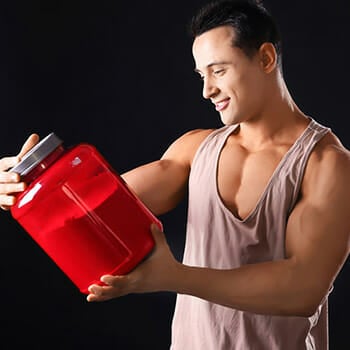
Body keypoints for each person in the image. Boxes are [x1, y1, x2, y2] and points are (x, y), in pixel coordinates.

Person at [1, 0, 349, 349]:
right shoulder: (195, 149)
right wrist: (26, 184)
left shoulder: (327, 163)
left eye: (219, 70)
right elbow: (95, 210)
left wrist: (175, 276)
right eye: (202, 75)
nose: (207, 90)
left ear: (266, 58)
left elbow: (303, 289)